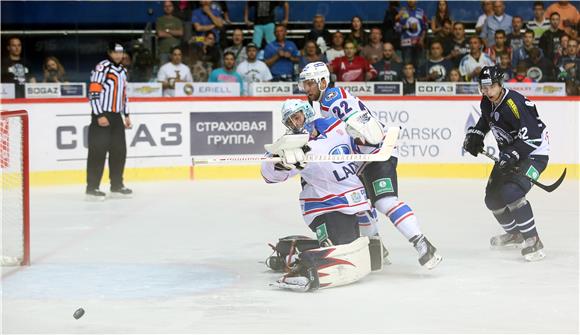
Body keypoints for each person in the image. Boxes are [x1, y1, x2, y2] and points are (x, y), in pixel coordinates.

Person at [299, 61, 442, 269]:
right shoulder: (326, 103)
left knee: (385, 202)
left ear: (323, 81)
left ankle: (422, 244)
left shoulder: (331, 99)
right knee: (359, 206)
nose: (307, 88)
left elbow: (360, 127)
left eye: (310, 83)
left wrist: (356, 134)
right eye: (305, 84)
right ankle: (377, 250)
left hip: (376, 155)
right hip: (360, 162)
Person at [261, 99, 375, 291]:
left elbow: (366, 147)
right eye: (290, 121)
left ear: (307, 112)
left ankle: (291, 249)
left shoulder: (337, 126)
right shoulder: (294, 144)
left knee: (359, 246)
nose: (295, 124)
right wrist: (280, 163)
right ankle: (303, 266)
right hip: (324, 205)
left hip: (354, 201)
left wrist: (366, 135)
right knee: (341, 249)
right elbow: (269, 173)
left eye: (297, 117)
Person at [462, 65, 549, 261]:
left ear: (500, 84)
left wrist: (513, 154)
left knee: (512, 192)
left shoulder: (514, 103)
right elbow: (487, 120)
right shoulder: (487, 101)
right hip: (512, 153)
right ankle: (516, 234)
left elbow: (534, 137)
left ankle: (533, 240)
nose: (486, 91)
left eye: (490, 87)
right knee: (492, 199)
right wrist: (476, 134)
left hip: (534, 154)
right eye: (483, 88)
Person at [86, 42, 132, 200]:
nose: (119, 55)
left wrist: (126, 114)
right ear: (109, 52)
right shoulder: (102, 67)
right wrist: (99, 115)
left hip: (116, 116)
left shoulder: (123, 70)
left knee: (119, 152)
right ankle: (92, 188)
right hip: (102, 115)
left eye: (121, 52)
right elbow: (93, 91)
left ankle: (117, 185)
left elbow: (124, 94)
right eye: (115, 52)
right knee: (97, 153)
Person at [395, 0, 428, 66]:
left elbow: (425, 27)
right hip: (406, 44)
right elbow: (396, 28)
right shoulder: (402, 12)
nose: (411, 1)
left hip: (418, 44)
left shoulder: (421, 12)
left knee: (419, 66)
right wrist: (408, 26)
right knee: (407, 66)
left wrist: (422, 39)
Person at [156, 1, 184, 65]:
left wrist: (167, 30)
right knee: (164, 72)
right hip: (164, 52)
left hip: (176, 52)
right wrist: (174, 34)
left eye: (169, 6)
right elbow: (160, 34)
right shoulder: (160, 20)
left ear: (173, 7)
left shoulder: (177, 20)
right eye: (166, 6)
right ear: (163, 8)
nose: (168, 8)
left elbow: (180, 33)